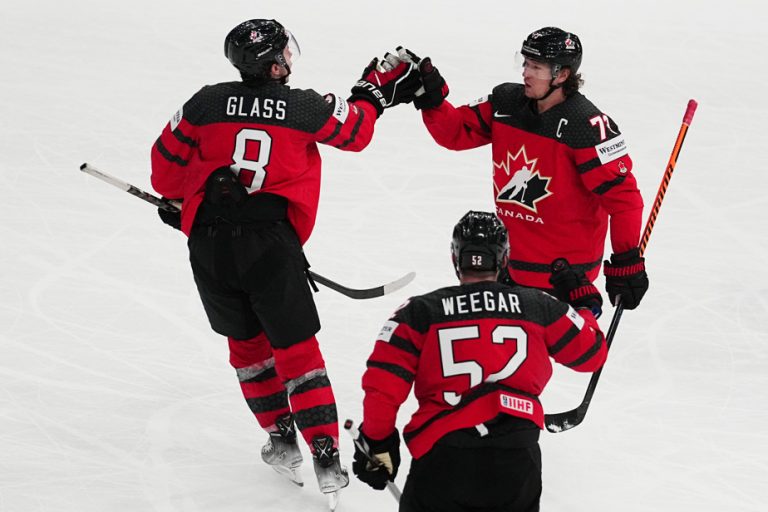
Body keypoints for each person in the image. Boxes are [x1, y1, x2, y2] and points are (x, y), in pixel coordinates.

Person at [150, 18, 419, 496]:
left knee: (247, 349)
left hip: (210, 246)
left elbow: (163, 172)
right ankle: (326, 456)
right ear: (274, 64)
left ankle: (281, 441)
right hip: (271, 246)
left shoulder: (205, 102)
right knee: (297, 353)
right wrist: (372, 92)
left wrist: (187, 202)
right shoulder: (302, 106)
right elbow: (356, 132)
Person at [352, 211, 608, 511]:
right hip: (515, 460)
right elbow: (592, 354)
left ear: (455, 258)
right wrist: (583, 307)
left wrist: (377, 441)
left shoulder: (418, 312)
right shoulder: (539, 306)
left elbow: (383, 385)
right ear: (504, 260)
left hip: (443, 456)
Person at [396, 27, 649, 310]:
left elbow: (624, 200)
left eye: (537, 67)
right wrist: (431, 99)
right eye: (525, 63)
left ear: (562, 75)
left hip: (566, 281)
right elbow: (455, 133)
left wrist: (626, 261)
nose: (526, 73)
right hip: (509, 271)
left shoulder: (587, 127)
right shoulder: (506, 104)